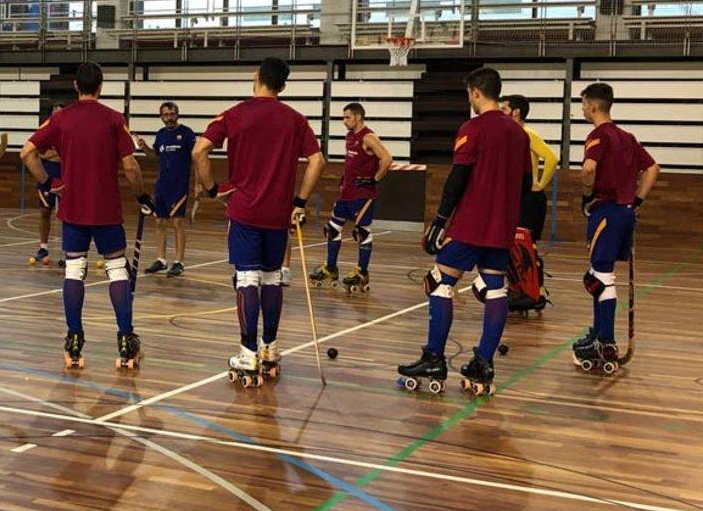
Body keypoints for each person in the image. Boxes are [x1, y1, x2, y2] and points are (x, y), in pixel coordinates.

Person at [192, 57, 325, 385]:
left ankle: (248, 351)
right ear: (282, 86)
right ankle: (270, 348)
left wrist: (211, 189)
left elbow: (199, 151)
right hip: (278, 214)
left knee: (247, 278)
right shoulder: (295, 120)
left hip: (245, 211)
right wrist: (299, 201)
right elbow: (317, 161)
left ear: (257, 77)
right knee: (272, 279)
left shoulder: (235, 114)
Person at [399, 67, 530, 396]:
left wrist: (440, 220)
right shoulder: (519, 133)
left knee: (439, 283)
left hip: (471, 224)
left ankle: (434, 358)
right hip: (502, 226)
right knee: (496, 291)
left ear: (475, 92)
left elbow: (458, 177)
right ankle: (484, 362)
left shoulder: (473, 128)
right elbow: (526, 184)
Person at [20, 63, 153, 370]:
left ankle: (74, 341)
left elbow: (27, 152)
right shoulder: (113, 119)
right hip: (107, 210)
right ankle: (125, 341)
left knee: (74, 271)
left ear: (76, 87)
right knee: (118, 271)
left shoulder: (61, 118)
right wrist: (141, 194)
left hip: (73, 209)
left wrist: (49, 183)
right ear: (101, 86)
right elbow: (131, 166)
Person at [574, 83, 658, 372]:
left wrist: (587, 195)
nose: (582, 109)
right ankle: (600, 334)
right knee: (597, 275)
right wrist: (636, 201)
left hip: (606, 210)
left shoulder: (599, 135)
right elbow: (652, 168)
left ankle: (606, 340)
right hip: (624, 212)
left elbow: (588, 169)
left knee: (602, 276)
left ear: (593, 106)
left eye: (583, 104)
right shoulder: (627, 137)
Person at [309, 103, 392, 292]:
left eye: (347, 117)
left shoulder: (368, 137)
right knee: (331, 229)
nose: (344, 121)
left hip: (363, 195)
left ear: (358, 117)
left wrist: (374, 178)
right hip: (346, 193)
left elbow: (387, 159)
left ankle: (362, 272)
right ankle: (331, 267)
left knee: (362, 232)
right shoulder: (350, 137)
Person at [136, 101, 195, 278]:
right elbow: (156, 157)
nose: (169, 118)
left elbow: (197, 158)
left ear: (177, 114)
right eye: (165, 115)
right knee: (159, 222)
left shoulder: (187, 134)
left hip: (179, 186)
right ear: (161, 116)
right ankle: (161, 260)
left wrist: (197, 184)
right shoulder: (161, 134)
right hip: (162, 185)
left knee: (177, 222)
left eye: (171, 114)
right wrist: (144, 148)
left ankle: (179, 262)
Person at [501, 94, 559, 240]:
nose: (501, 112)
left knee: (525, 242)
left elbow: (552, 159)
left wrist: (539, 184)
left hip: (529, 196)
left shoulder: (527, 134)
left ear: (516, 112)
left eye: (504, 108)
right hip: (514, 195)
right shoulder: (507, 135)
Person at [30, 103, 63, 266]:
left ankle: (69, 251)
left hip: (66, 175)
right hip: (47, 175)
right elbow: (38, 154)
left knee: (68, 215)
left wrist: (52, 155)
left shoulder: (69, 131)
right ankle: (43, 247)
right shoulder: (44, 131)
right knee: (45, 211)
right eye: (55, 113)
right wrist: (58, 153)